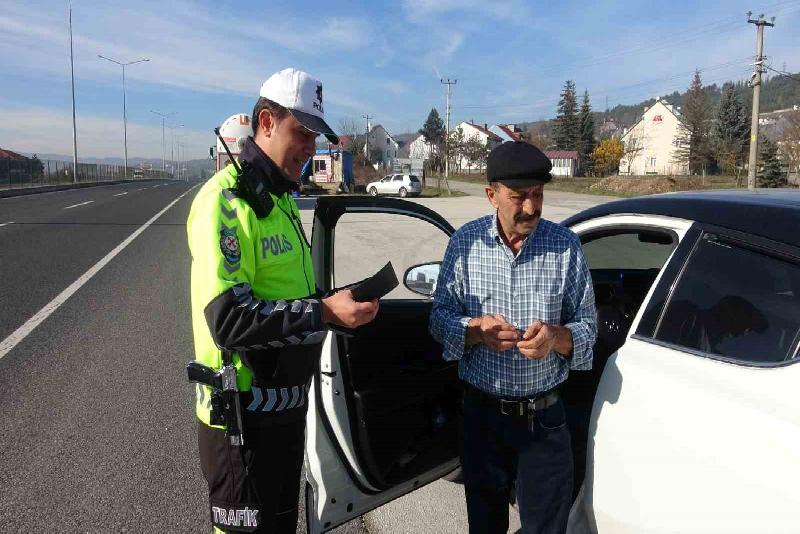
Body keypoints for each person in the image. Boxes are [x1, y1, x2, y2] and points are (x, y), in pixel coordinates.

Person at [187, 68, 379, 533]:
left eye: (316, 137)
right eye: (303, 134)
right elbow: (228, 319)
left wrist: (332, 304)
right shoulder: (227, 201)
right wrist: (323, 311)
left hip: (285, 412)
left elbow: (288, 297)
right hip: (241, 422)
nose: (312, 148)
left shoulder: (282, 199)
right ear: (267, 122)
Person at [429, 141, 597, 534]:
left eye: (538, 195)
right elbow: (439, 319)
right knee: (485, 527)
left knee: (546, 529)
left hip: (546, 423)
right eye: (519, 197)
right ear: (492, 195)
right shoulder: (465, 244)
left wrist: (557, 337)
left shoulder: (565, 247)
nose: (531, 207)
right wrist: (474, 331)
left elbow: (589, 328)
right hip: (483, 419)